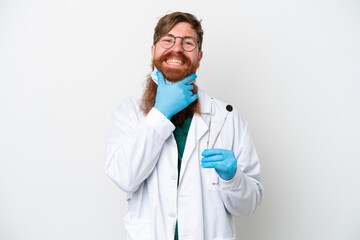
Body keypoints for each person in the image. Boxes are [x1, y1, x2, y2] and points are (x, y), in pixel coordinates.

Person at [105, 11, 264, 240]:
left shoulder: (227, 117)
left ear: (199, 56)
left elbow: (248, 207)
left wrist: (234, 178)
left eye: (187, 43)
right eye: (167, 40)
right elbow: (124, 176)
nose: (177, 48)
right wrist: (161, 113)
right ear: (153, 51)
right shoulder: (129, 112)